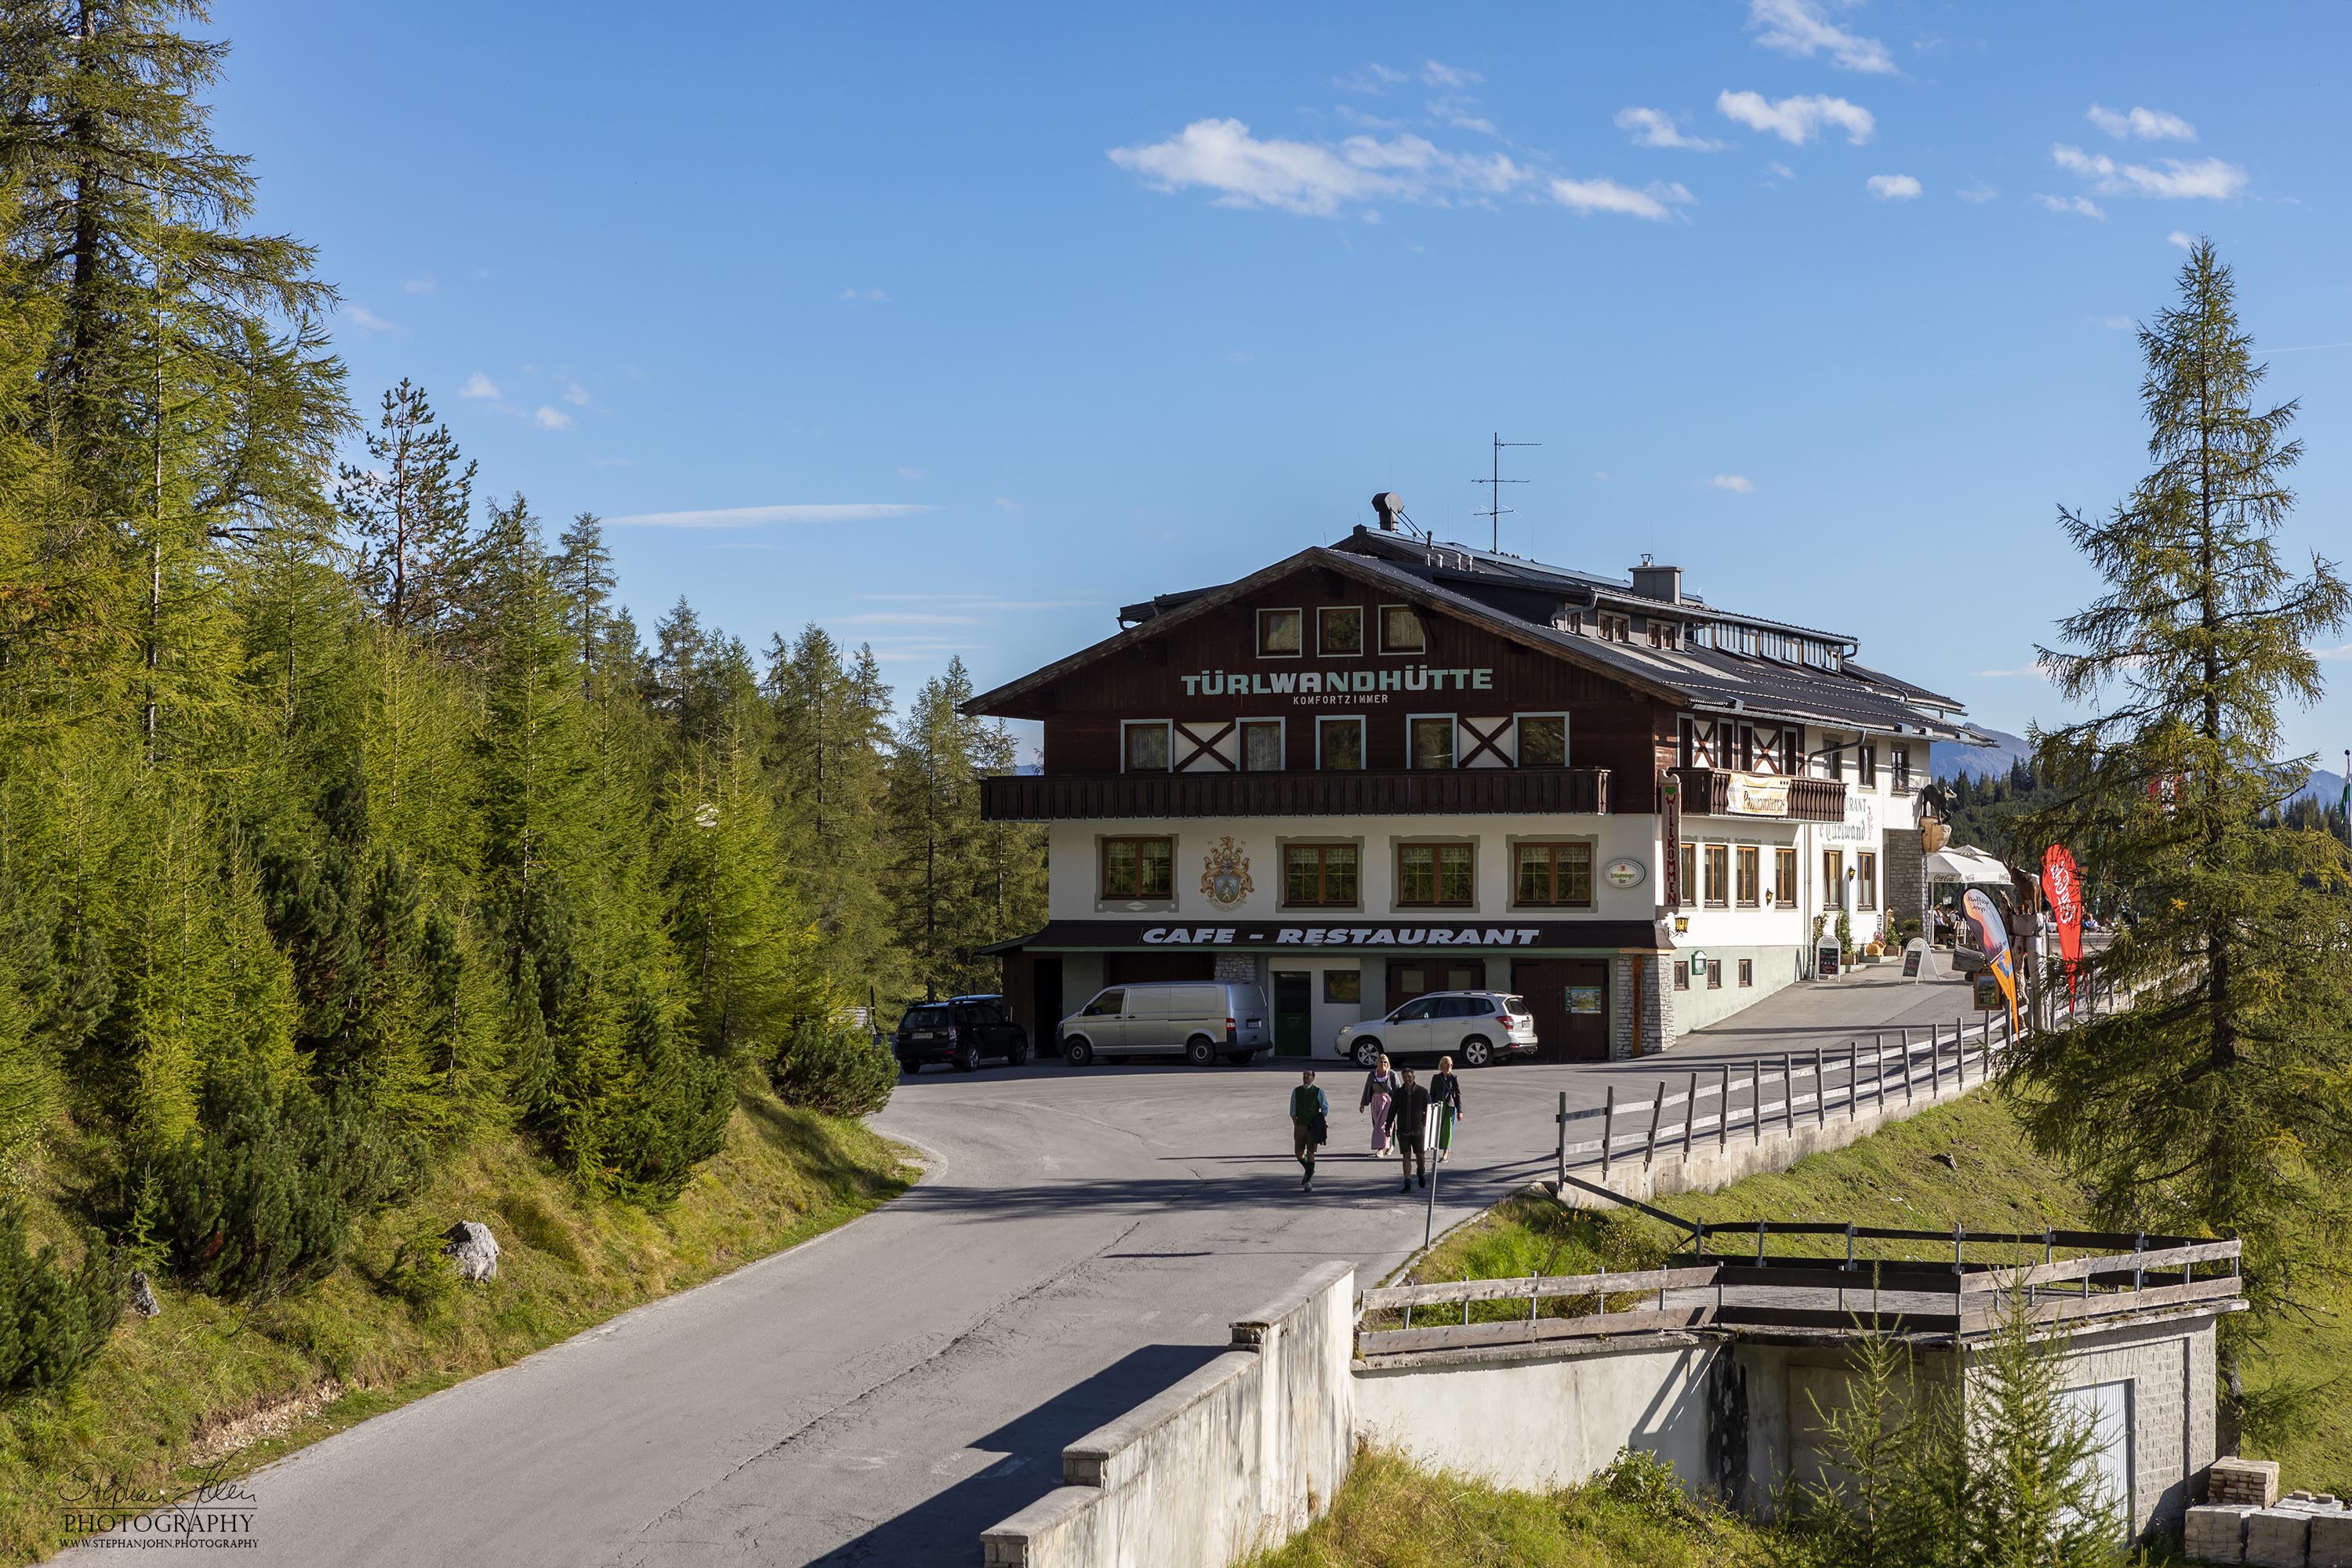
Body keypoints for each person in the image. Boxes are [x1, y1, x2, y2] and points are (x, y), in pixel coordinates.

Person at [1386, 1067, 1432, 1192]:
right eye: (1405, 1077)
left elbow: (1429, 1109)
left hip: (1418, 1130)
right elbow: (1392, 1111)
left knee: (1420, 1156)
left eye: (1409, 1077)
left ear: (1414, 1077)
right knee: (1406, 1156)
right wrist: (1387, 1126)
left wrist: (1424, 1122)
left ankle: (1421, 1172)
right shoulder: (1398, 1093)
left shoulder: (1422, 1092)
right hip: (1403, 1130)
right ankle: (1407, 1183)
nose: (1407, 1079)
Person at [1288, 1069, 1328, 1191]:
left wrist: (1318, 1121)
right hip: (1300, 1125)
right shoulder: (1297, 1091)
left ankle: (1309, 1181)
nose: (1305, 1076)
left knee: (1311, 1152)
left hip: (1312, 1127)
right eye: (1304, 1075)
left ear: (1313, 1078)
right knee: (1298, 1153)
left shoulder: (1318, 1092)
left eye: (1308, 1075)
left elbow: (1325, 1108)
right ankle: (1309, 1169)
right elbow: (1292, 1110)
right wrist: (1296, 1125)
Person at [1428, 1056, 1462, 1164]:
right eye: (1447, 1064)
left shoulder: (1453, 1078)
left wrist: (1460, 1111)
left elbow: (1457, 1095)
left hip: (1449, 1107)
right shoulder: (1436, 1078)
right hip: (1438, 1106)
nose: (1449, 1066)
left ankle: (1446, 1152)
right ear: (1442, 1065)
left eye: (1451, 1064)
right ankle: (1435, 1151)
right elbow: (1432, 1094)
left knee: (1447, 1130)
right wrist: (1429, 1108)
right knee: (1437, 1129)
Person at [1359, 1054, 1395, 1155]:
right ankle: (1389, 1145)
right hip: (1375, 1101)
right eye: (1381, 1062)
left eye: (1385, 1062)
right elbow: (1367, 1089)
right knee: (1377, 1124)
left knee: (1384, 1124)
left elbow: (1398, 1088)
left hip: (1387, 1101)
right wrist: (1363, 1103)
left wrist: (1398, 1103)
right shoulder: (1372, 1075)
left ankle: (1380, 1149)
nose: (1383, 1064)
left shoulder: (1391, 1074)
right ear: (1377, 1063)